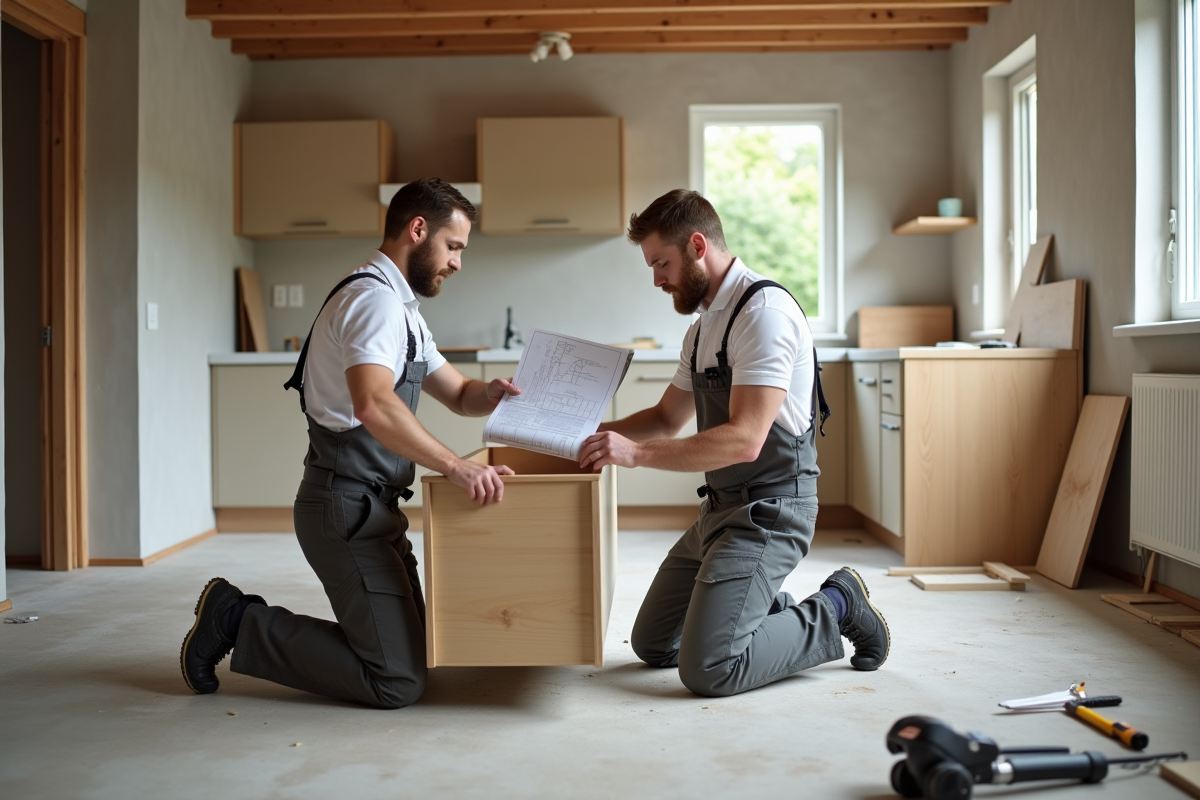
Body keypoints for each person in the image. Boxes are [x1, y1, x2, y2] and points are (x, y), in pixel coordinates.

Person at [181, 179, 519, 709]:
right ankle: (237, 619)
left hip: (374, 509)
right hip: (343, 509)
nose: (457, 262)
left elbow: (458, 392)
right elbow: (374, 404)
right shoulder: (373, 302)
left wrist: (493, 395)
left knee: (425, 650)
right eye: (454, 247)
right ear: (418, 229)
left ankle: (246, 620)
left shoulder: (403, 309)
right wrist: (455, 467)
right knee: (398, 681)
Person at [578, 189, 890, 697]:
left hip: (772, 511)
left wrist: (633, 456)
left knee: (709, 667)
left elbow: (746, 439)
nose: (656, 279)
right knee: (654, 644)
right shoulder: (702, 331)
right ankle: (755, 609)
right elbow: (664, 417)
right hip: (719, 513)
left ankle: (837, 605)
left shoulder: (763, 313)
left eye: (662, 263)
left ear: (698, 245)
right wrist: (594, 436)